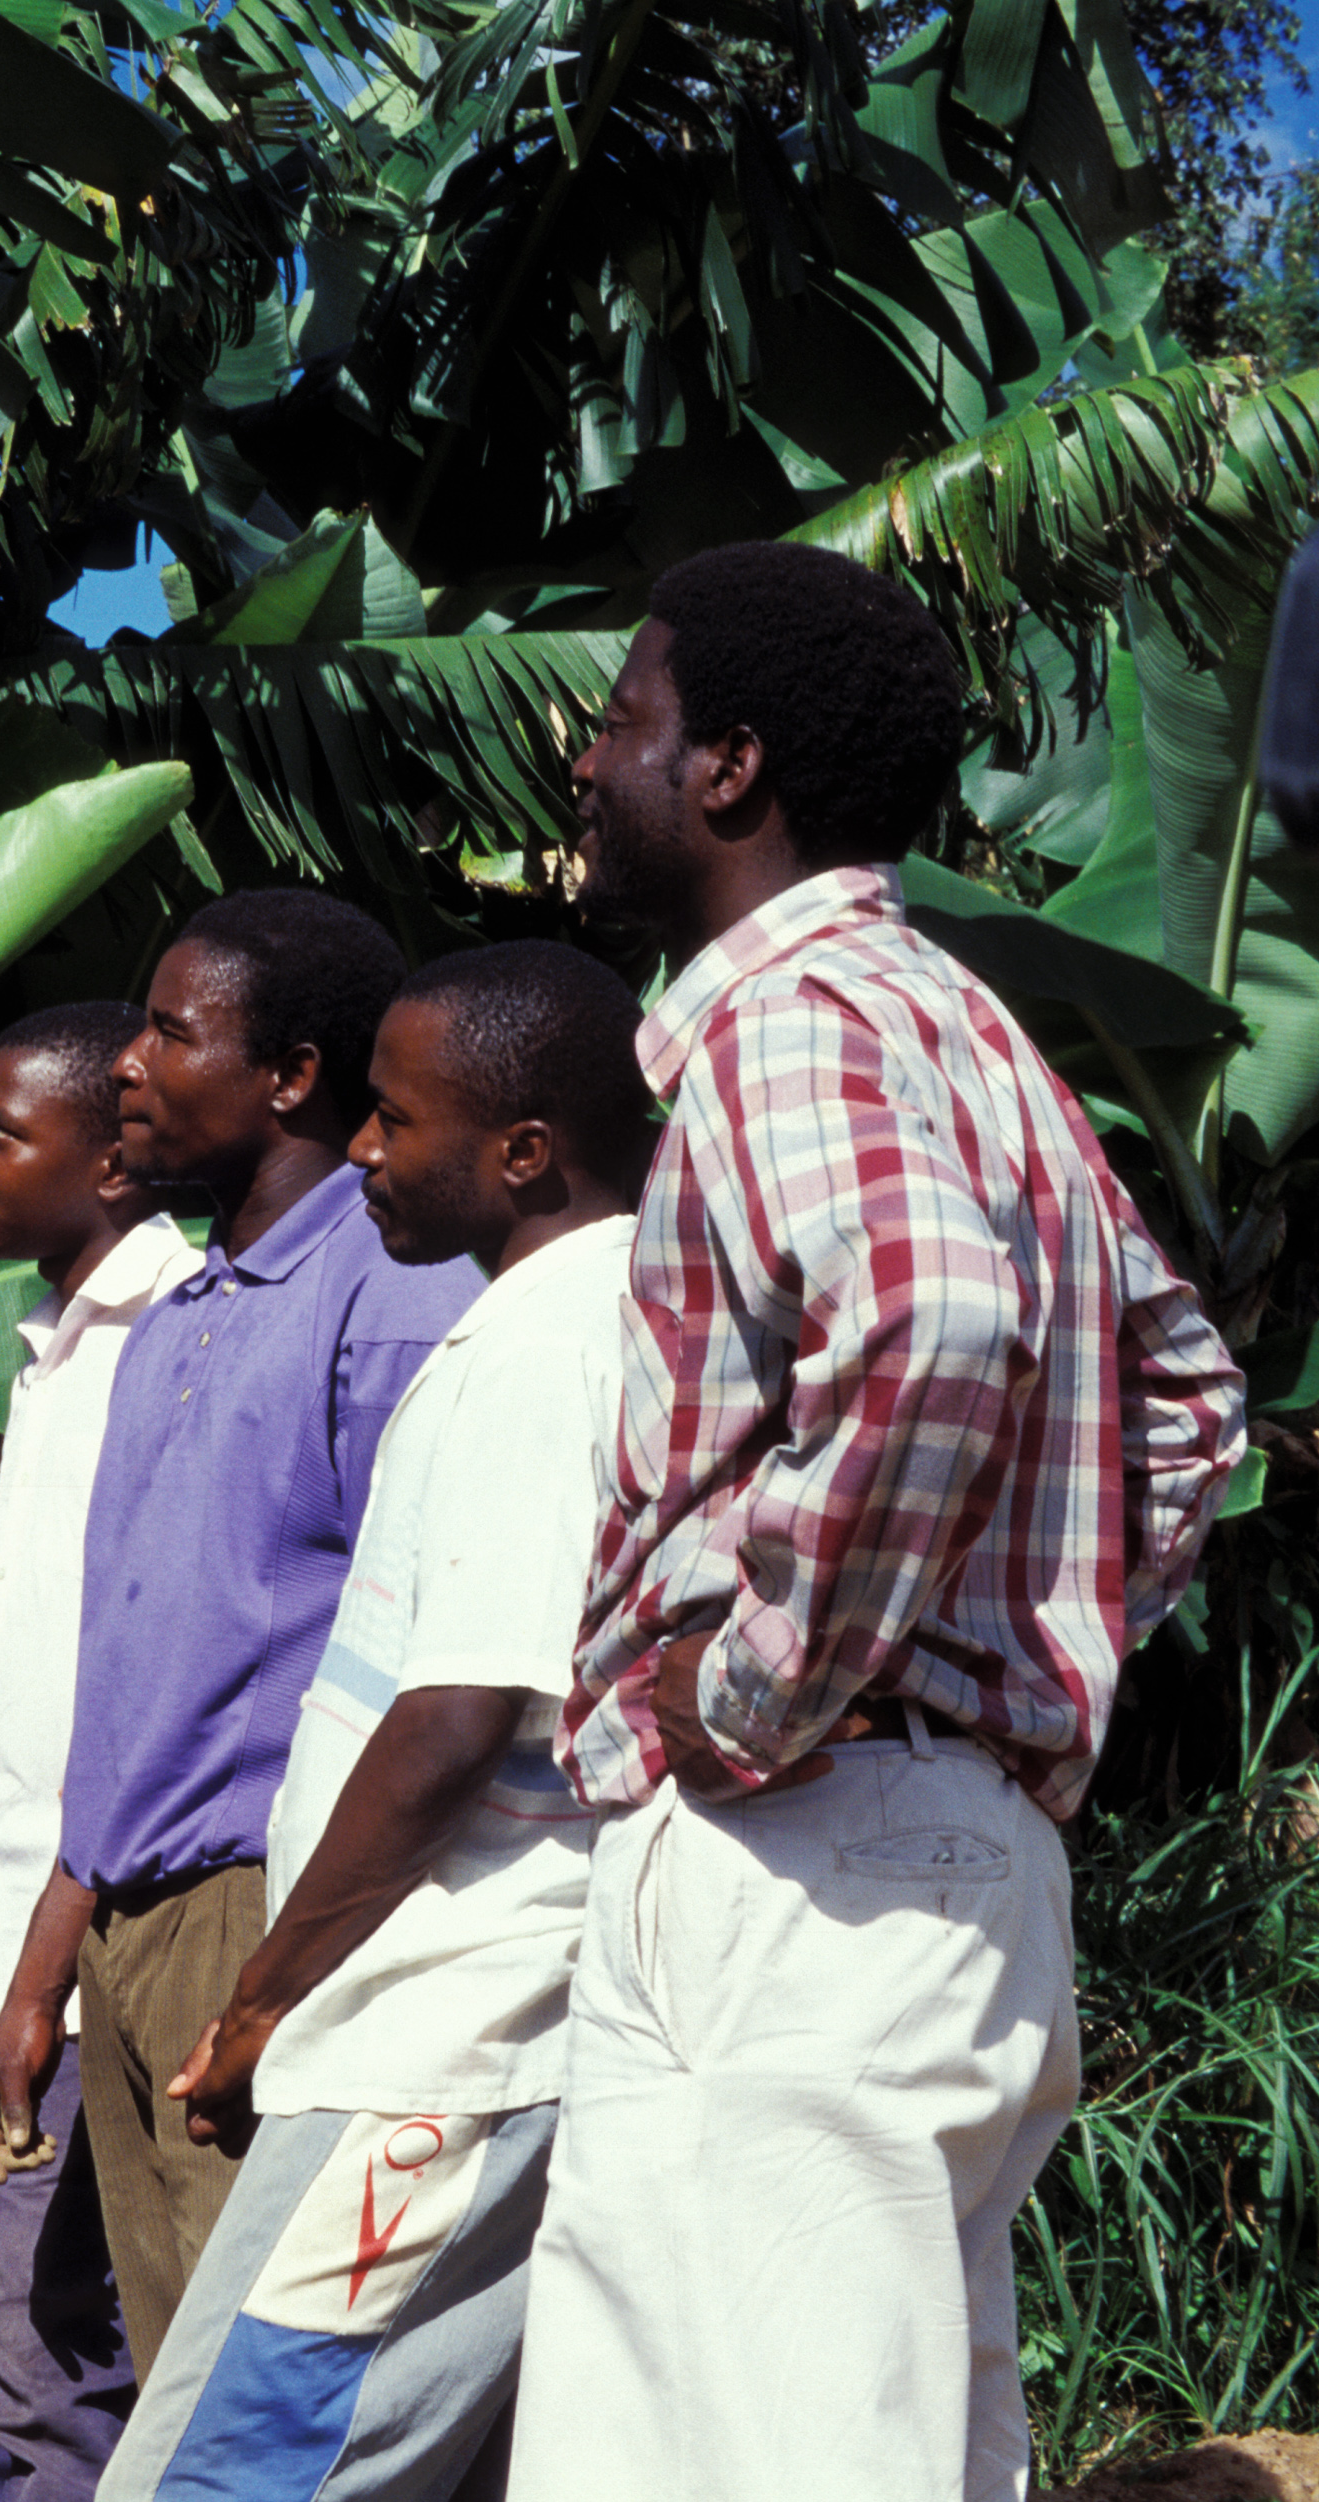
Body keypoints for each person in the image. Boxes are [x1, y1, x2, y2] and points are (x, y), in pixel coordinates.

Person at [507, 543, 1245, 2502]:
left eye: (619, 719)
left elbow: (929, 1322)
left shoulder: (790, 1019)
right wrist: (1020, 1684)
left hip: (799, 1864)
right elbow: (1182, 1410)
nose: (586, 764)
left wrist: (759, 1690)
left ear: (728, 766)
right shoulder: (959, 1026)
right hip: (938, 1858)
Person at [95, 942, 650, 2502]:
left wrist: (265, 1993)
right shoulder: (561, 1320)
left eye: (394, 1122)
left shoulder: (548, 1345)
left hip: (438, 2040)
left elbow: (456, 1713)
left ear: (522, 1152)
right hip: (454, 2033)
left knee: (219, 2477)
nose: (359, 1149)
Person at [0, 889, 481, 2384]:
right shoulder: (180, 1316)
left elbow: (436, 1660)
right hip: (131, 1923)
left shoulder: (383, 1299)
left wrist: (282, 1972)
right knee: (173, 2371)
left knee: (259, 2395)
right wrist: (37, 1975)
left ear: (292, 1076)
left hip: (265, 1915)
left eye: (170, 1032)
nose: (125, 1064)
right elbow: (136, 1687)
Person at [0, 1001, 194, 2501]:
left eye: (3, 1130)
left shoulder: (173, 1344)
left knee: (46, 2353)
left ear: (115, 1162)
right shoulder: (57, 1338)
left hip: (59, 1967)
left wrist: (36, 1978)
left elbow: (142, 1707)